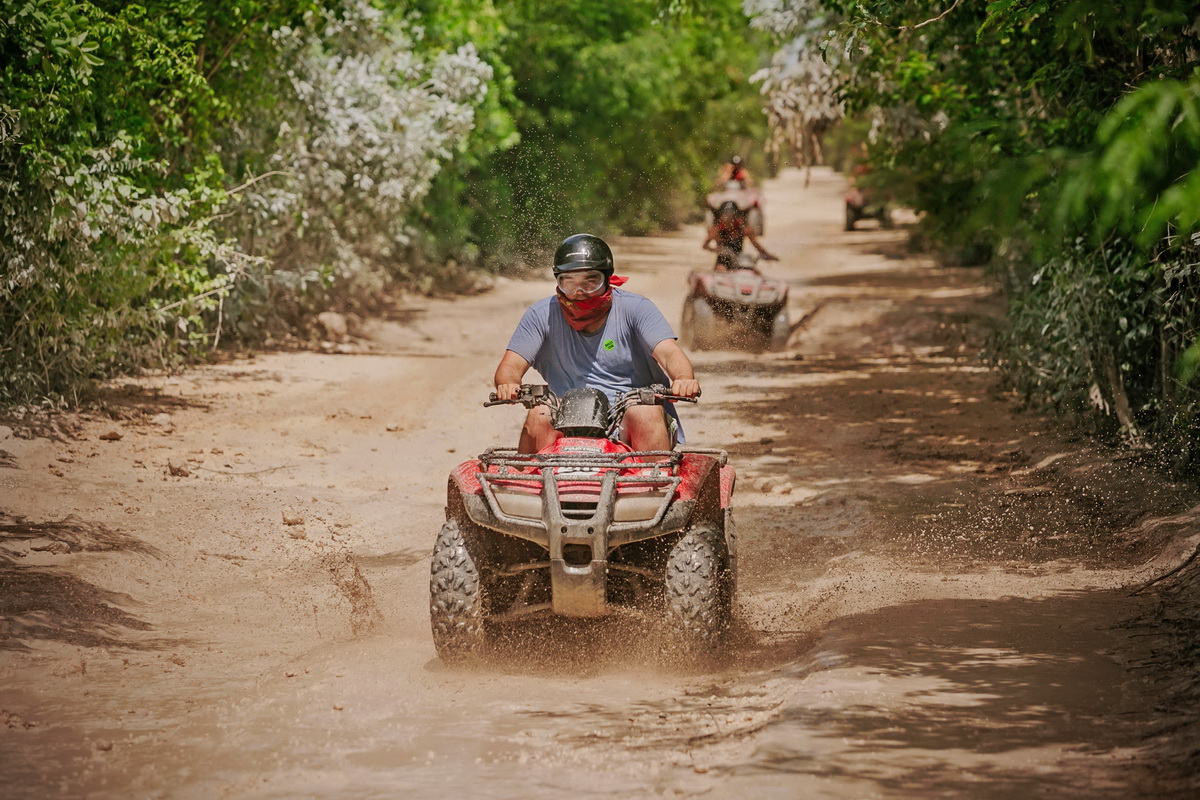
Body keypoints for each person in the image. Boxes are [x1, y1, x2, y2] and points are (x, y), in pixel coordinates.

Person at [494, 233, 701, 454]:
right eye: (569, 282)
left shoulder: (636, 309)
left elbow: (669, 352)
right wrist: (508, 383)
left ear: (607, 279)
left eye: (590, 282)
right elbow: (511, 366)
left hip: (629, 413)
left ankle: (654, 483)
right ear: (558, 282)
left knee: (644, 413)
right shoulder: (540, 315)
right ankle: (533, 482)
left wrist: (683, 378)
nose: (579, 292)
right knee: (540, 413)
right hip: (566, 417)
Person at [702, 201, 778, 270]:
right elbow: (705, 246)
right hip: (723, 262)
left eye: (731, 216)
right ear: (721, 217)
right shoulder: (716, 230)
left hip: (740, 261)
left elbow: (756, 244)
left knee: (755, 273)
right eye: (726, 215)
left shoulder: (744, 230)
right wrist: (718, 249)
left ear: (736, 216)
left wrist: (766, 255)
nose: (728, 218)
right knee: (721, 270)